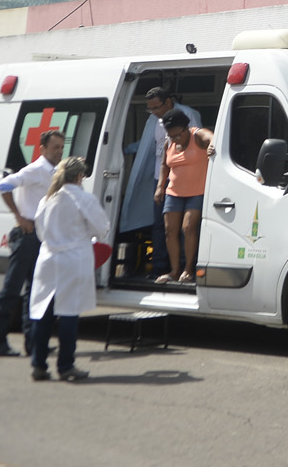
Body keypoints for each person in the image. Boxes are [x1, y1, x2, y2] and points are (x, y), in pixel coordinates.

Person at [0, 127, 65, 357]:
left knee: (36, 291)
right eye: (55, 148)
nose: (59, 152)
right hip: (27, 235)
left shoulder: (55, 171)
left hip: (42, 236)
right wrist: (19, 216)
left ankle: (33, 342)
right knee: (12, 289)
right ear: (42, 149)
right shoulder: (35, 170)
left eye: (61, 148)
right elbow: (3, 186)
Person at [27, 156, 102, 382]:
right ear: (80, 176)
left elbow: (40, 232)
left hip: (48, 260)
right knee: (69, 313)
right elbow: (102, 228)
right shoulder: (84, 199)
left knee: (43, 314)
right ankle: (66, 365)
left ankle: (38, 365)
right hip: (73, 260)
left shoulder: (46, 200)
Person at [119, 84, 201, 279]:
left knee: (186, 227)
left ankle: (184, 267)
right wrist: (124, 149)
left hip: (185, 180)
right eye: (151, 109)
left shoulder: (187, 114)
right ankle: (159, 267)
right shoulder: (153, 120)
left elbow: (198, 139)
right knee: (161, 227)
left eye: (157, 108)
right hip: (161, 179)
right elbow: (150, 145)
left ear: (168, 102)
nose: (154, 112)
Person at [158, 110, 213, 284]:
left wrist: (212, 144)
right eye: (171, 135)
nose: (175, 139)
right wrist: (160, 186)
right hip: (173, 192)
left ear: (186, 127)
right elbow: (164, 165)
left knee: (188, 228)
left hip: (197, 191)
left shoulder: (197, 135)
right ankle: (174, 271)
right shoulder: (169, 143)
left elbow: (212, 137)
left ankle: (188, 269)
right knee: (169, 230)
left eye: (177, 135)